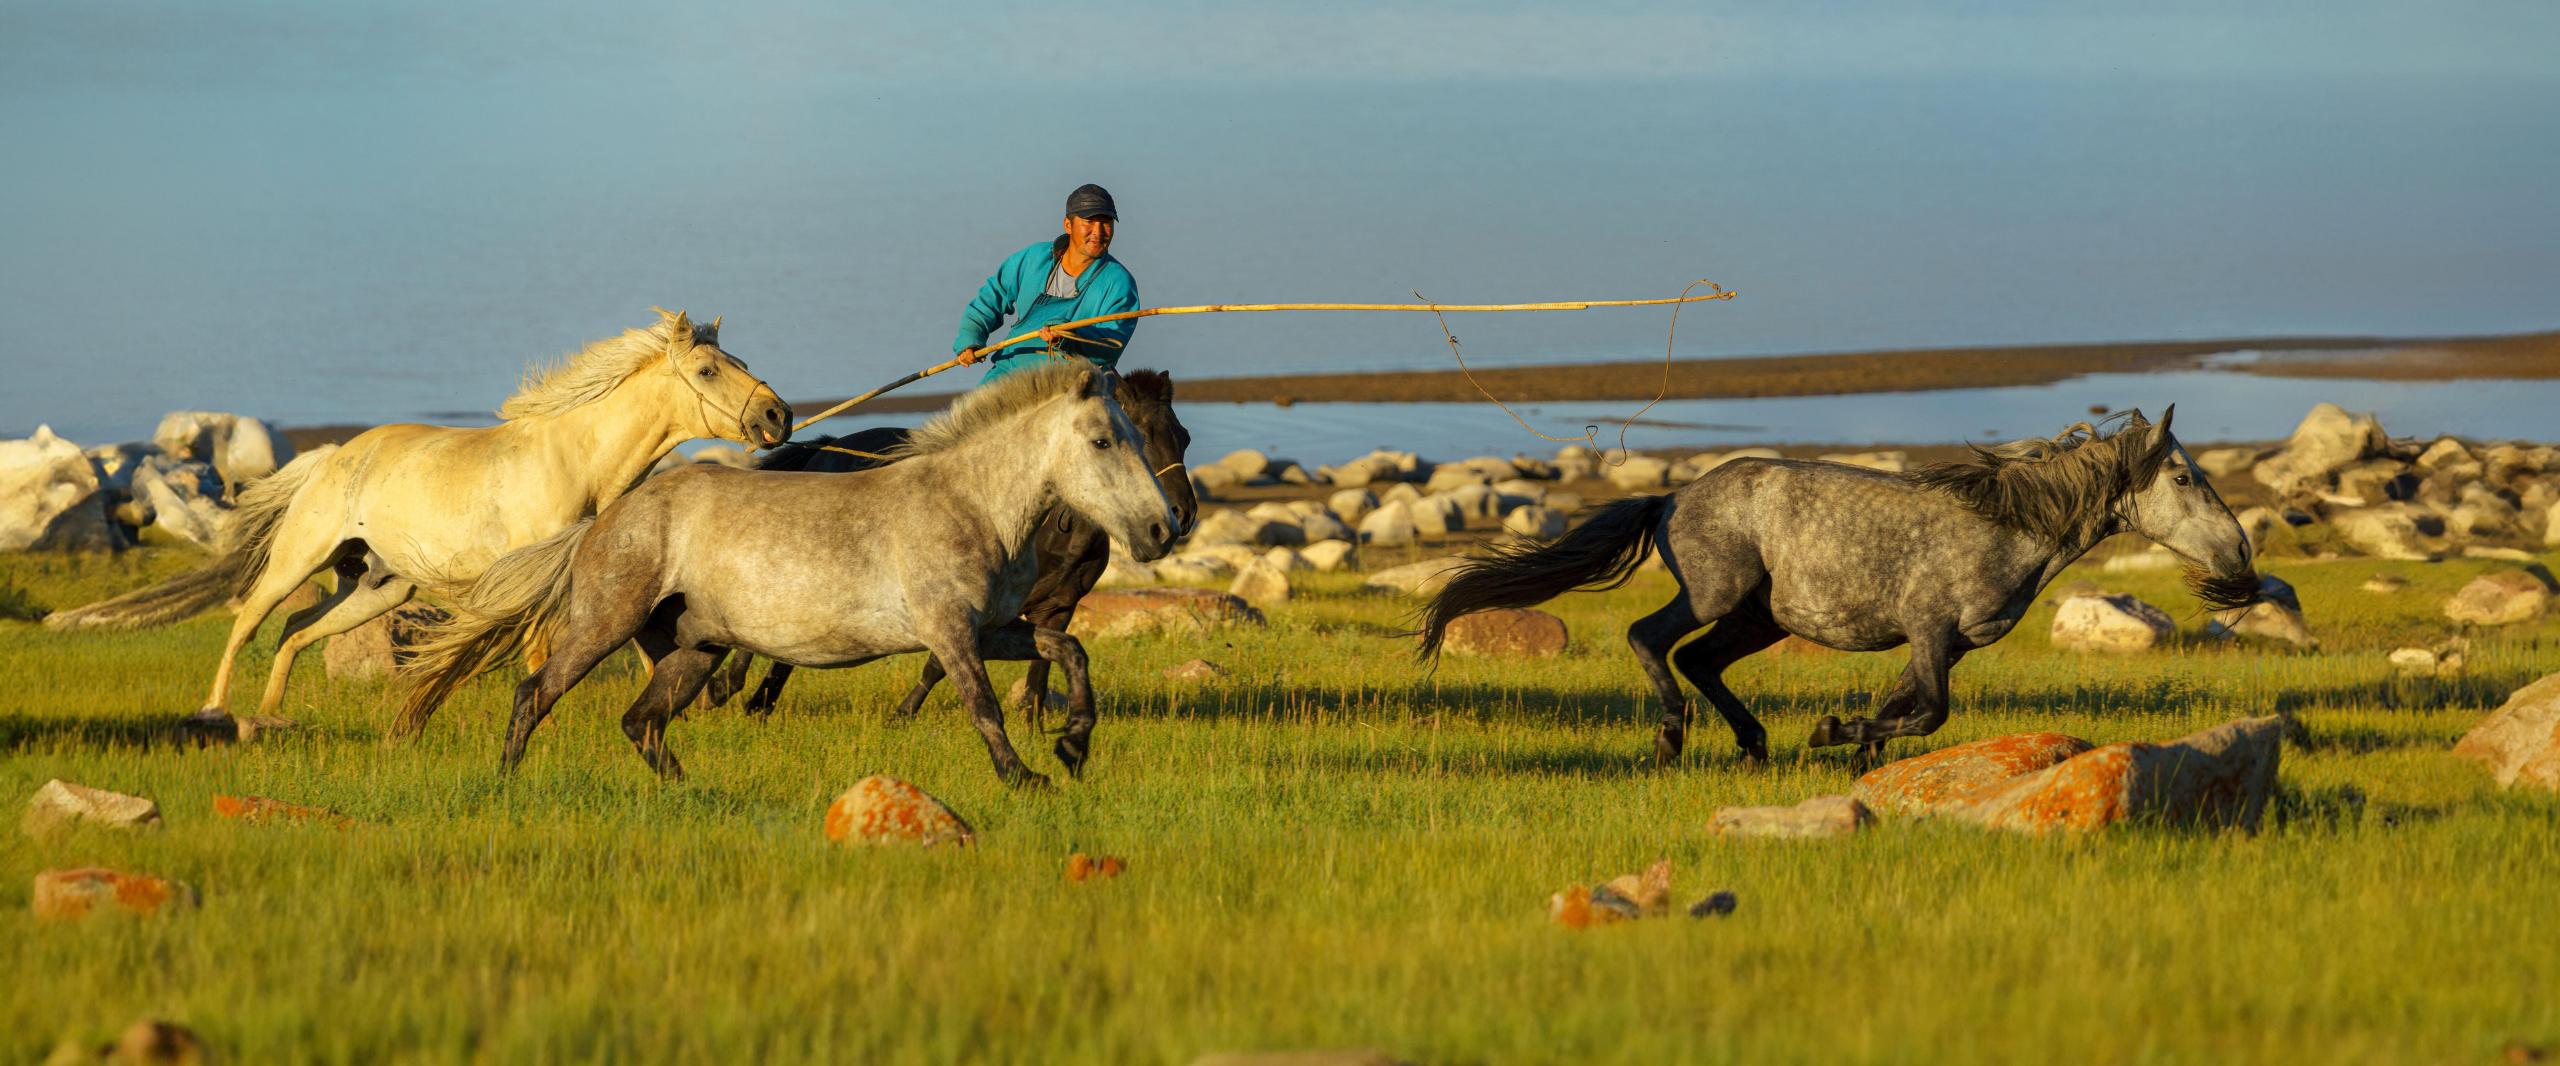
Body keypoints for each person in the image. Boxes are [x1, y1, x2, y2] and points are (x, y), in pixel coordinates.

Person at [951, 183, 1140, 382]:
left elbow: (1112, 345)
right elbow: (989, 300)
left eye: (1106, 222)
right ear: (1068, 225)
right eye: (1089, 222)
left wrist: (1069, 335)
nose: (1098, 231)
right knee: (974, 412)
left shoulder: (1119, 283)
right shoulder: (1033, 258)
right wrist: (970, 340)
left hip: (1073, 381)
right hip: (1011, 370)